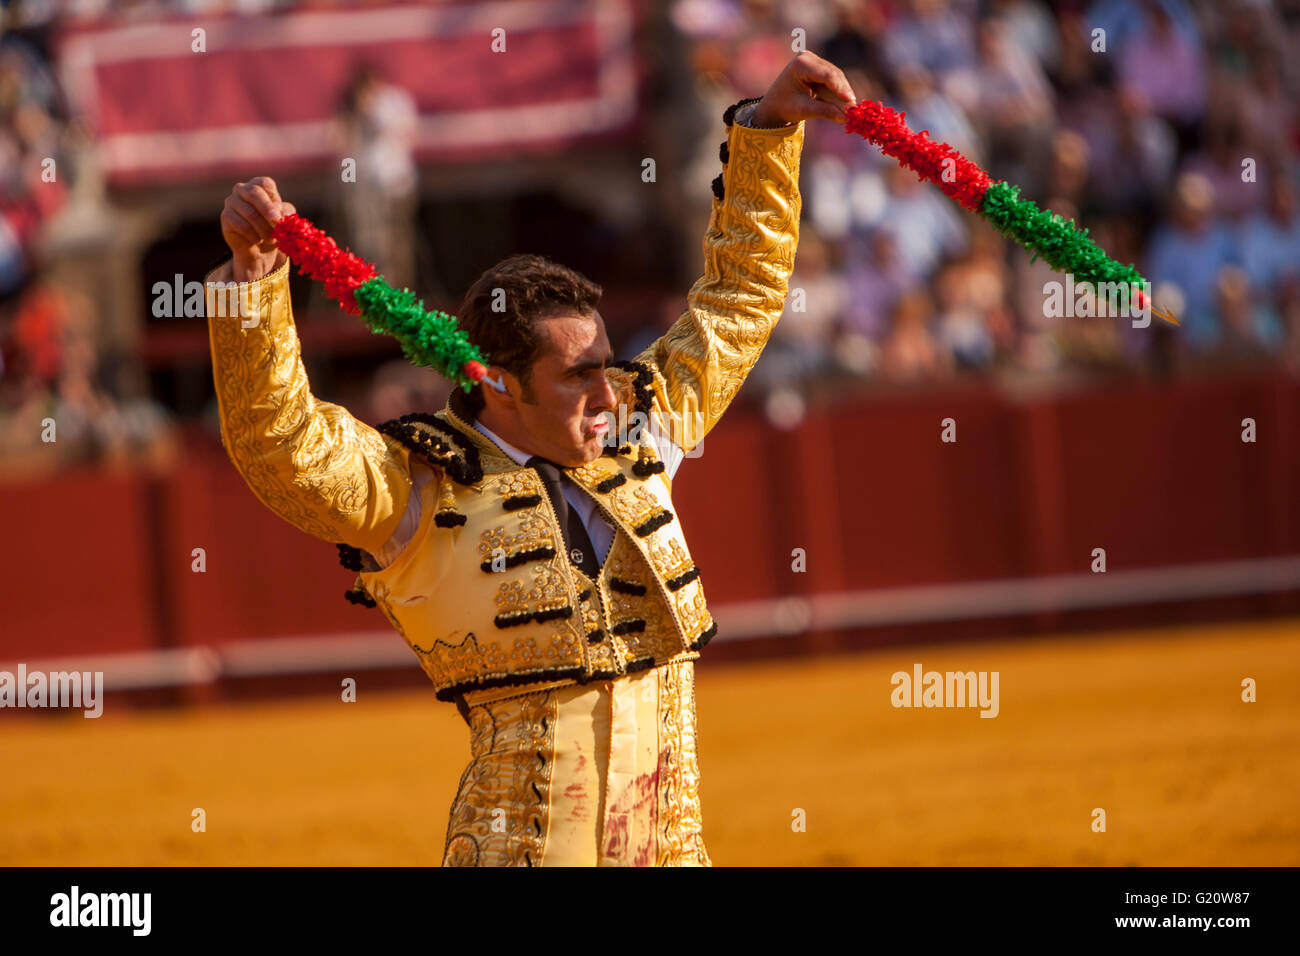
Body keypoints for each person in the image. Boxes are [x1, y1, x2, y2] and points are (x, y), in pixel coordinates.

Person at [203, 51, 856, 866]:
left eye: (607, 365)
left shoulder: (636, 434)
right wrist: (251, 280)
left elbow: (739, 300)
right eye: (578, 376)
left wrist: (767, 130)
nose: (611, 393)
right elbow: (279, 442)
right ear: (500, 383)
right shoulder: (416, 487)